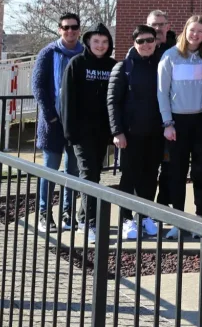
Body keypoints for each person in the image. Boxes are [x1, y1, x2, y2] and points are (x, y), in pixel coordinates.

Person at [157, 14, 202, 236]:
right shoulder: (170, 56)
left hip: (201, 121)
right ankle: (178, 221)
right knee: (177, 173)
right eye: (192, 30)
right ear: (185, 30)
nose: (195, 35)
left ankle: (200, 219)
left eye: (200, 31)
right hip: (177, 122)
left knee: (201, 172)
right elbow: (162, 92)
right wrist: (167, 122)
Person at [108, 25, 166, 239]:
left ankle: (145, 216)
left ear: (155, 41)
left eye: (149, 40)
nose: (146, 44)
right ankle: (126, 219)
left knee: (151, 176)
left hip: (155, 133)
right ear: (134, 43)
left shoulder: (162, 64)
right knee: (129, 177)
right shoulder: (123, 67)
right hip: (130, 134)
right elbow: (112, 102)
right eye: (140, 41)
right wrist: (117, 131)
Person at [60, 23, 115, 241]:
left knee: (95, 173)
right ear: (88, 42)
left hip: (103, 131)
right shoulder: (77, 64)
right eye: (96, 41)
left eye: (104, 42)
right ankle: (92, 223)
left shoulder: (113, 66)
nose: (100, 46)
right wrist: (69, 132)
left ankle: (83, 216)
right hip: (81, 131)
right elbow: (67, 100)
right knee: (88, 174)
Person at [33, 12, 85, 231]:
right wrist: (51, 116)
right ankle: (44, 213)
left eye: (74, 27)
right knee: (50, 171)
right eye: (66, 27)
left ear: (79, 29)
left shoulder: (85, 53)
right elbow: (38, 87)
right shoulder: (48, 53)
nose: (70, 31)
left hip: (76, 124)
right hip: (53, 124)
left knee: (72, 172)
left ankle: (67, 213)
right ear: (59, 29)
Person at [148, 9, 175, 207]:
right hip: (147, 119)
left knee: (169, 166)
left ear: (168, 26)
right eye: (153, 24)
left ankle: (163, 206)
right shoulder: (141, 48)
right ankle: (145, 208)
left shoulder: (176, 49)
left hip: (171, 119)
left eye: (160, 24)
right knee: (147, 167)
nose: (157, 28)